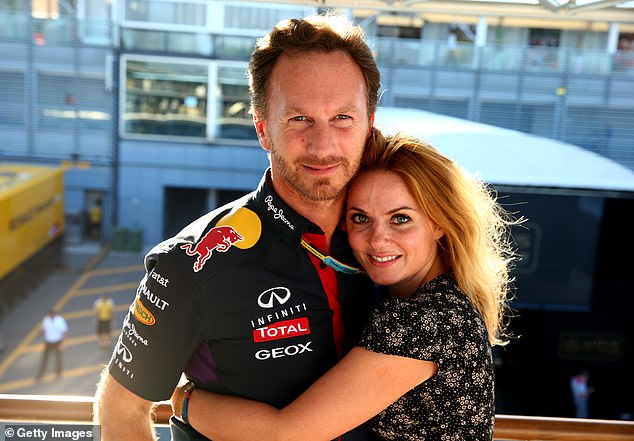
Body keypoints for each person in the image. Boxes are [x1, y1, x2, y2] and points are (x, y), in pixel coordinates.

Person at [95, 13, 381, 441]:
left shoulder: (397, 245)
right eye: (299, 119)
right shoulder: (192, 263)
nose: (323, 145)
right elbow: (121, 408)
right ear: (263, 128)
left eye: (342, 118)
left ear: (369, 124)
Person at [172, 129, 518, 440]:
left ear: (441, 223)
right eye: (360, 218)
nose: (377, 239)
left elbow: (284, 436)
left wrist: (185, 402)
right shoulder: (444, 301)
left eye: (401, 219)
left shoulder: (424, 322)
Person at [36, 309, 68, 380]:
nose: (51, 317)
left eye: (52, 315)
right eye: (50, 316)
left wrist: (62, 343)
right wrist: (39, 332)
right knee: (45, 359)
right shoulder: (46, 320)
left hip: (57, 341)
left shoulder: (60, 320)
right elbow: (43, 328)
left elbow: (64, 332)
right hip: (48, 342)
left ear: (55, 315)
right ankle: (41, 375)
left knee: (58, 358)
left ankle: (58, 373)